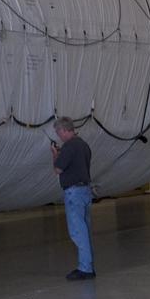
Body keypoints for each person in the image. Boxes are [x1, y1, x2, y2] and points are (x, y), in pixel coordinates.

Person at [50, 116, 94, 281]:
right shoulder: (83, 145)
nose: (58, 136)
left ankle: (85, 268)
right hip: (85, 191)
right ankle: (89, 265)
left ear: (64, 130)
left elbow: (58, 169)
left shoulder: (69, 147)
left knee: (77, 231)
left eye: (58, 132)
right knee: (85, 230)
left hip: (74, 193)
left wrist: (55, 154)